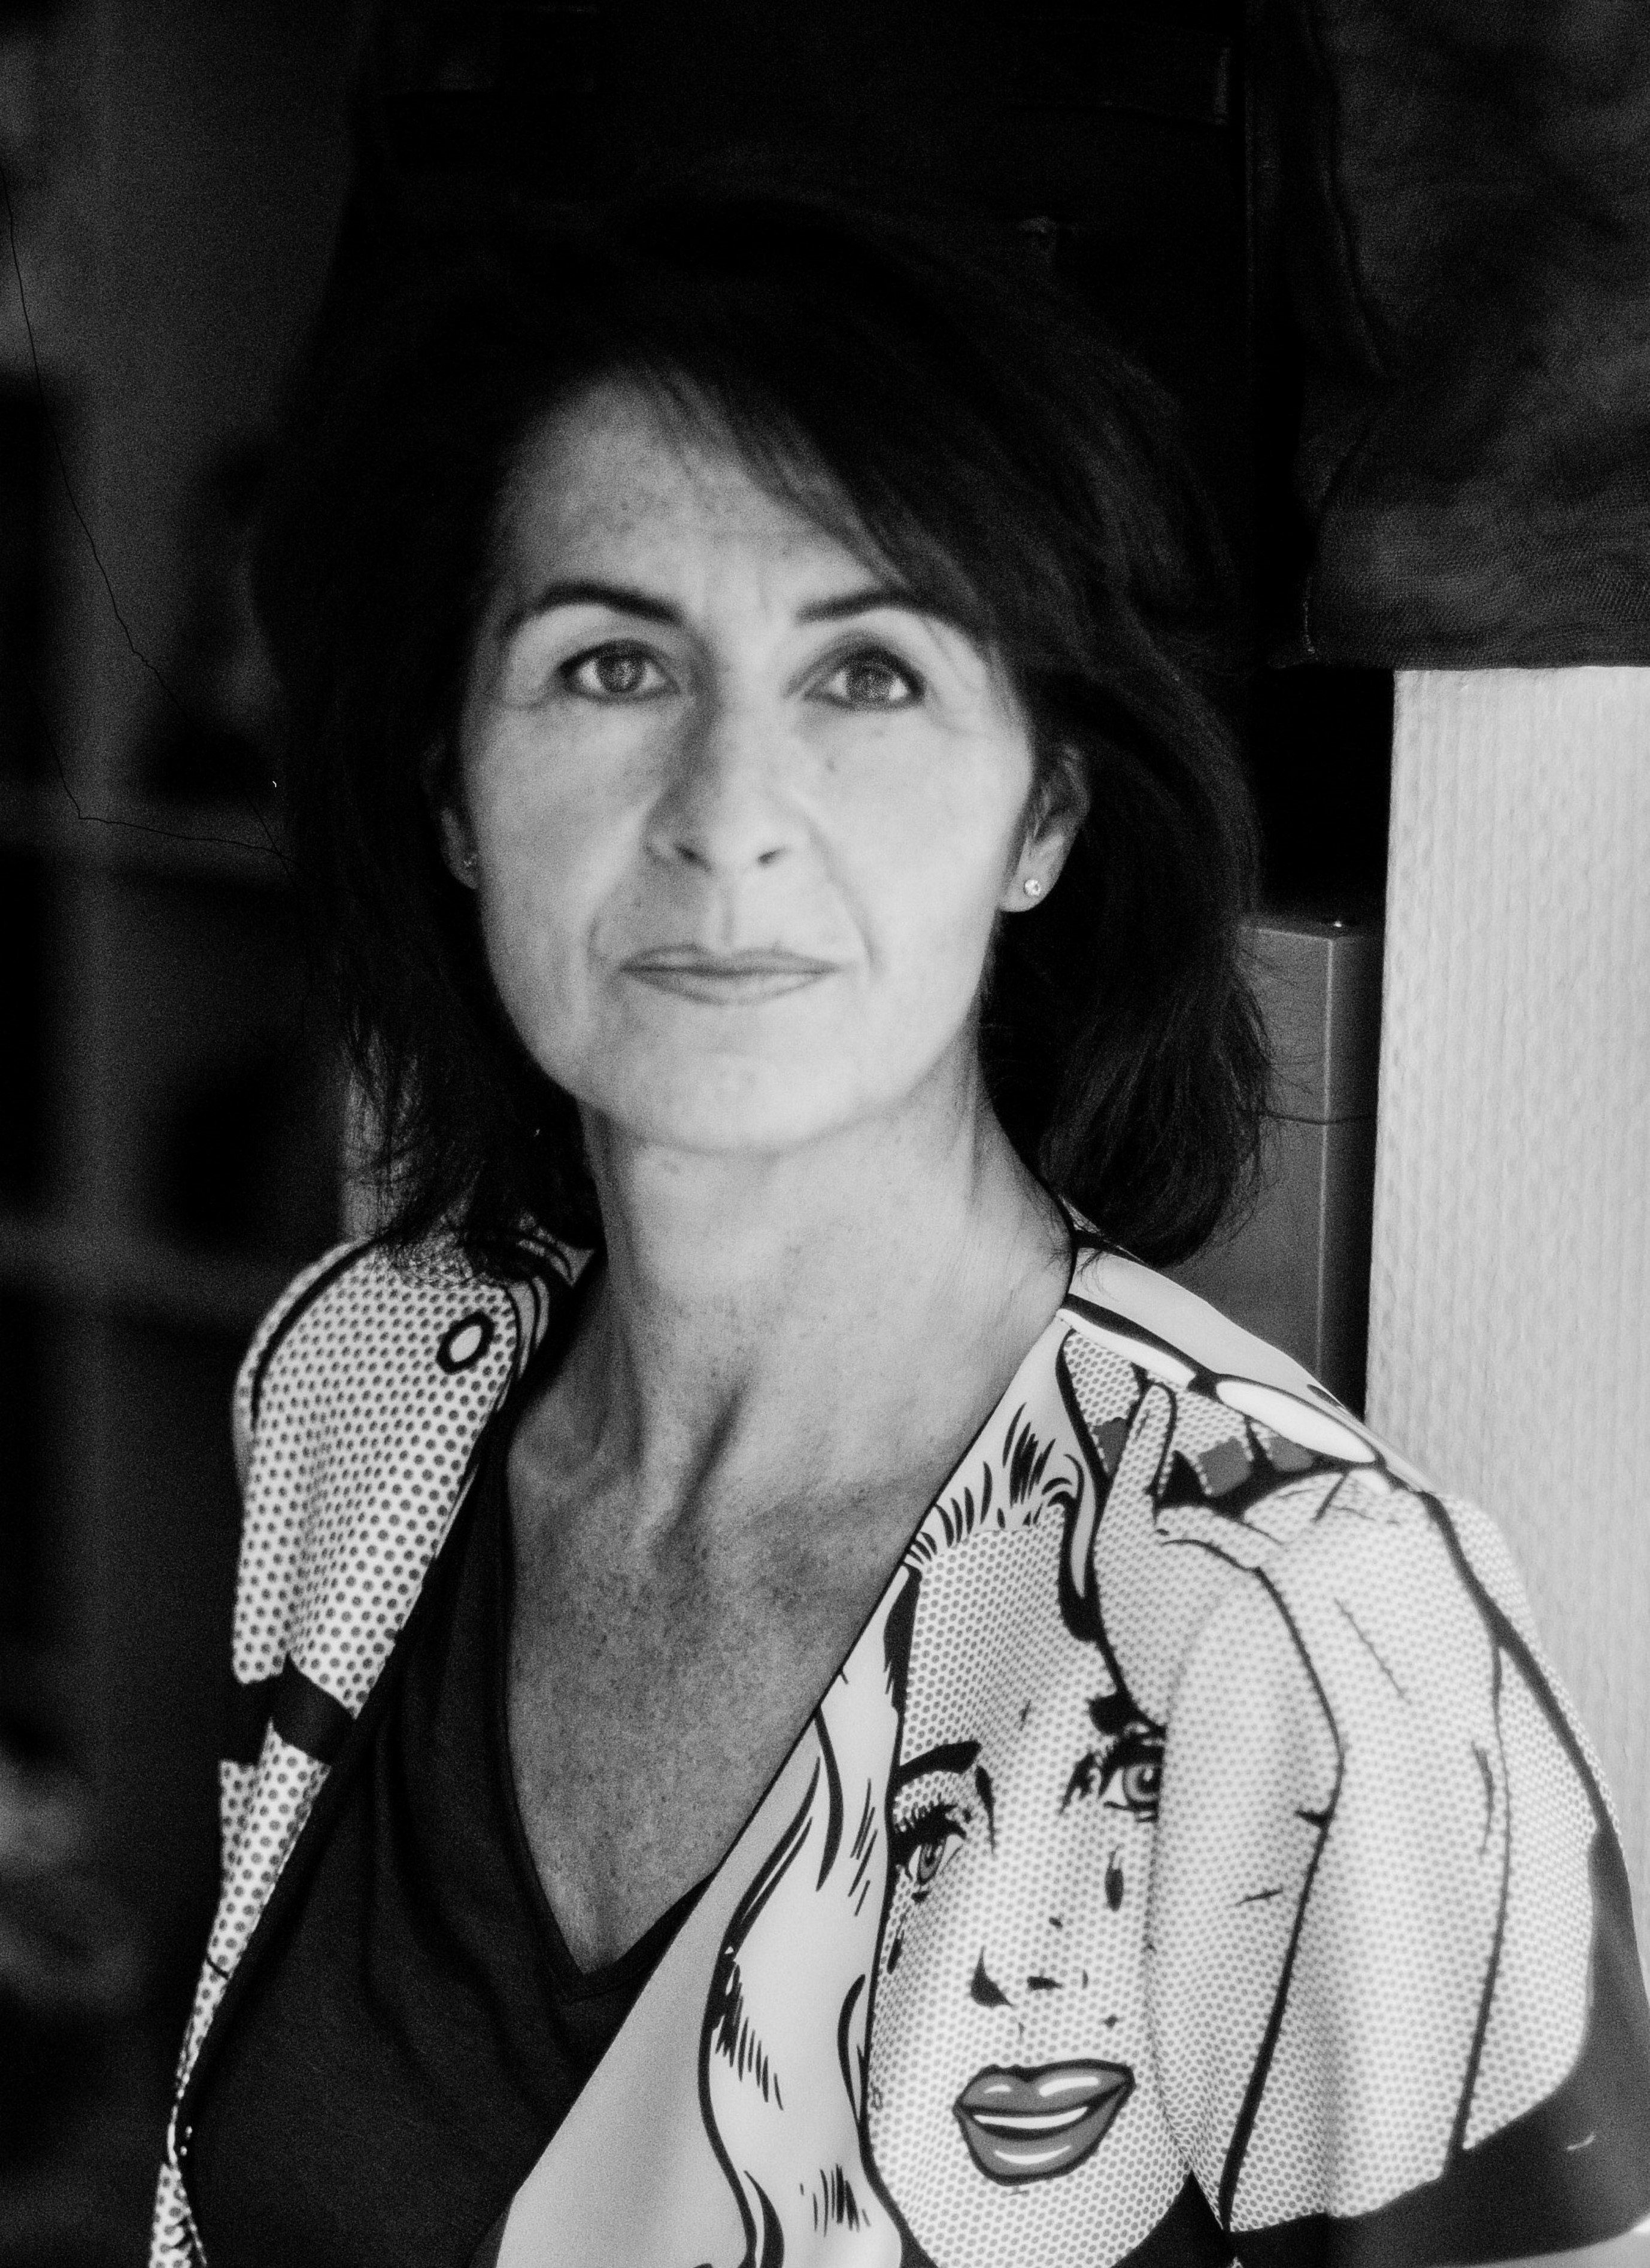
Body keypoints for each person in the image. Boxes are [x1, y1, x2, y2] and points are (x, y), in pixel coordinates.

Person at [150, 186, 1650, 2267]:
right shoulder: (360, 1385)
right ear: (450, 793)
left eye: (865, 673)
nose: (726, 816)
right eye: (609, 664)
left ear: (1045, 812)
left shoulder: (1290, 1626)